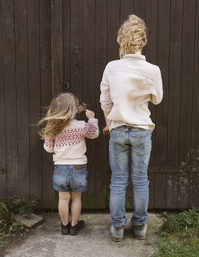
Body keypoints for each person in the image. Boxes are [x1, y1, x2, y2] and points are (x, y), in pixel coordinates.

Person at [100, 14, 163, 242]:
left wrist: (109, 124)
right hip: (141, 130)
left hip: (117, 130)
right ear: (143, 41)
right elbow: (157, 99)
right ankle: (139, 227)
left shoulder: (112, 67)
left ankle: (117, 228)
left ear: (121, 40)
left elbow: (105, 101)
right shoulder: (152, 70)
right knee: (140, 180)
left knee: (118, 180)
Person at [40, 92, 99, 235]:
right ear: (73, 109)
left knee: (63, 198)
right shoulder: (81, 125)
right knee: (76, 197)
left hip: (61, 168)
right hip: (79, 167)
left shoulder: (53, 128)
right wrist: (92, 119)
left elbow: (48, 148)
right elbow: (94, 133)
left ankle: (64, 226)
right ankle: (74, 226)